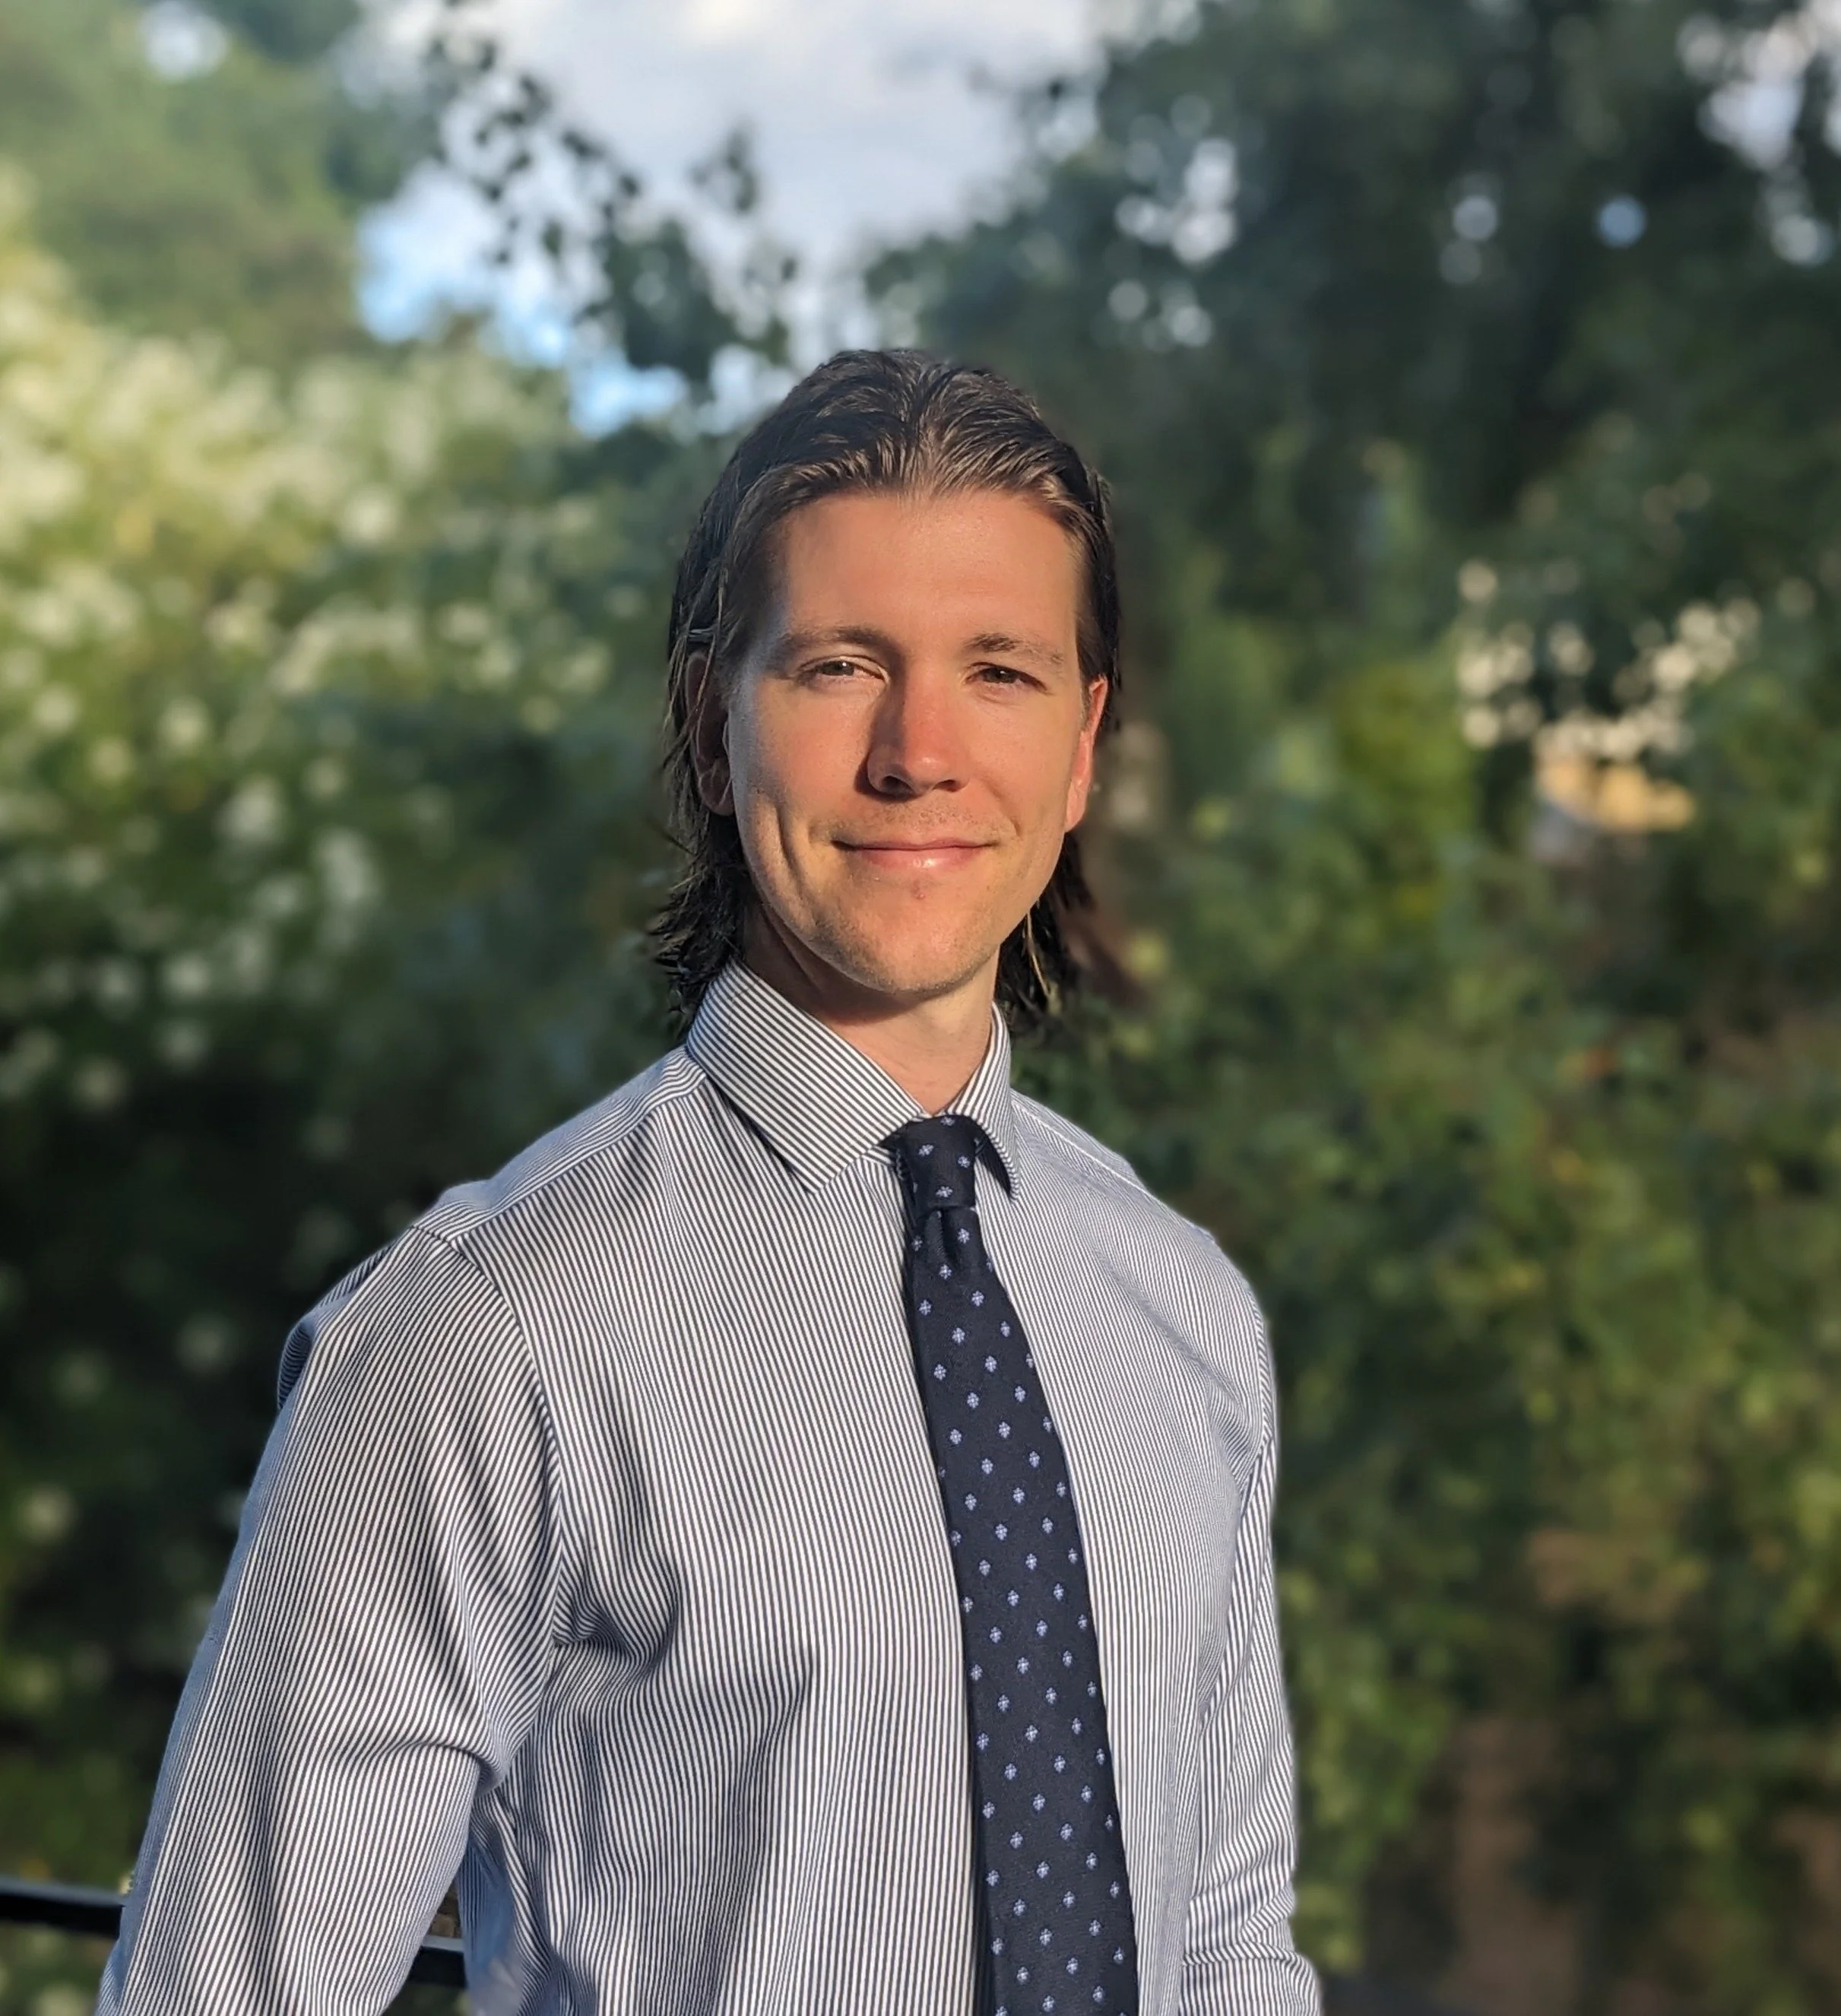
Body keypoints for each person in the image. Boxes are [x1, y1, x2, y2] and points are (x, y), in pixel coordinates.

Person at [97, 350, 1319, 2016]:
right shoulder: (484, 1337)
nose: (920, 752)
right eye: (837, 665)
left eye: (1000, 672)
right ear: (706, 714)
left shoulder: (1179, 1314)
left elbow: (1231, 1944)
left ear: (1085, 742)